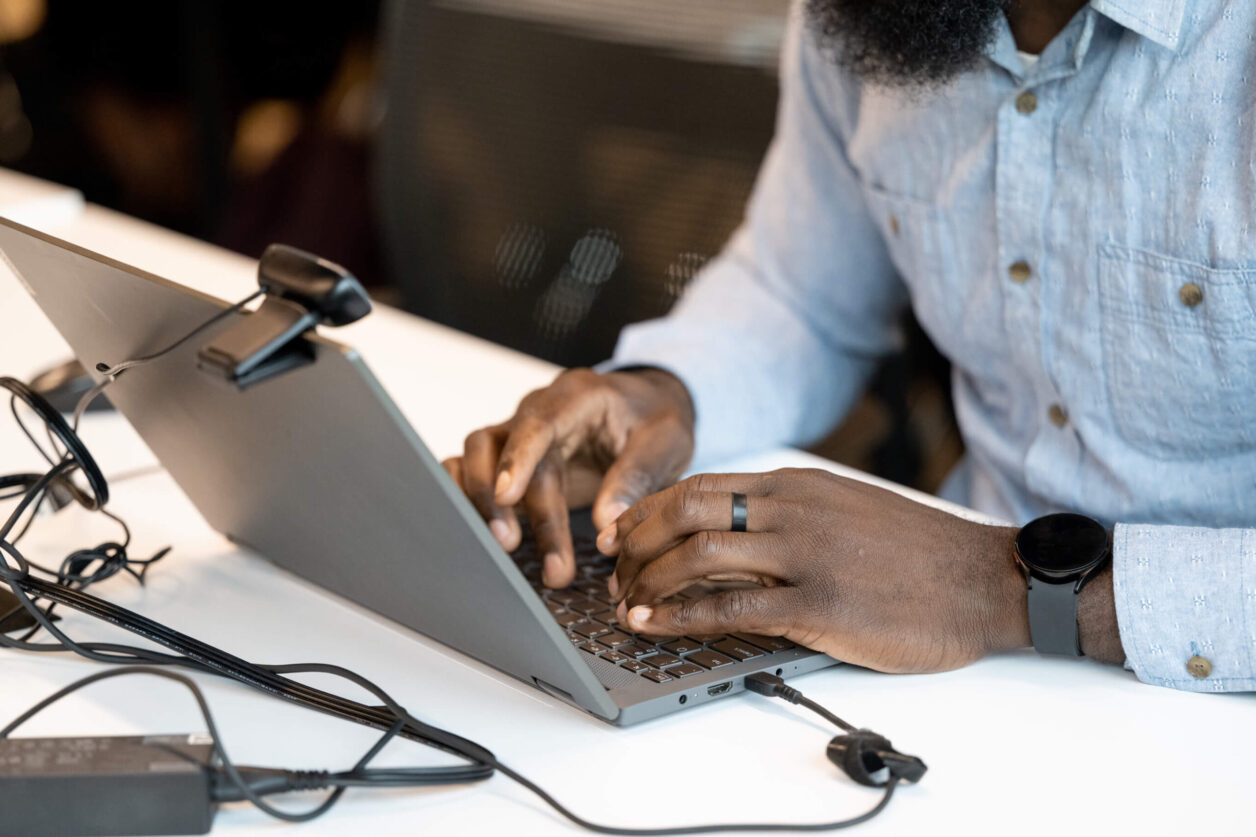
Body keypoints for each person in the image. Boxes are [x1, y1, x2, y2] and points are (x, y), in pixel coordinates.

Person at [443, 0, 1256, 692]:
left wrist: (1000, 585)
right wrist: (668, 389)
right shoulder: (864, 16)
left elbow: (982, 585)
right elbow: (802, 292)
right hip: (964, 662)